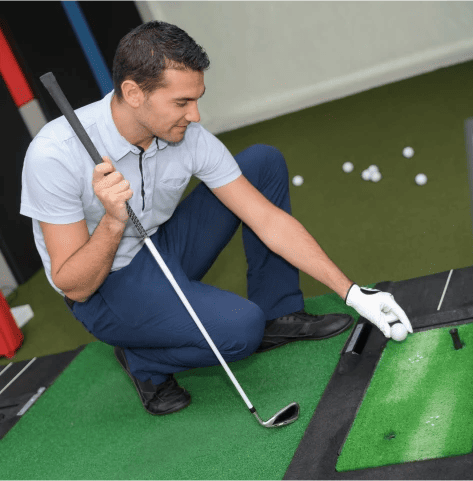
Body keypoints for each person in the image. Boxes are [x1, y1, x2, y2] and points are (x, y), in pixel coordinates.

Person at [20, 21, 412, 417]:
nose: (195, 115)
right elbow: (74, 286)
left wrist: (351, 292)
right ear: (134, 93)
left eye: (197, 99)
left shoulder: (188, 135)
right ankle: (145, 361)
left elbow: (265, 218)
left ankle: (280, 311)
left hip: (162, 246)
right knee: (242, 330)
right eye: (181, 103)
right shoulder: (55, 154)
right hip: (106, 283)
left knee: (262, 162)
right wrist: (111, 222)